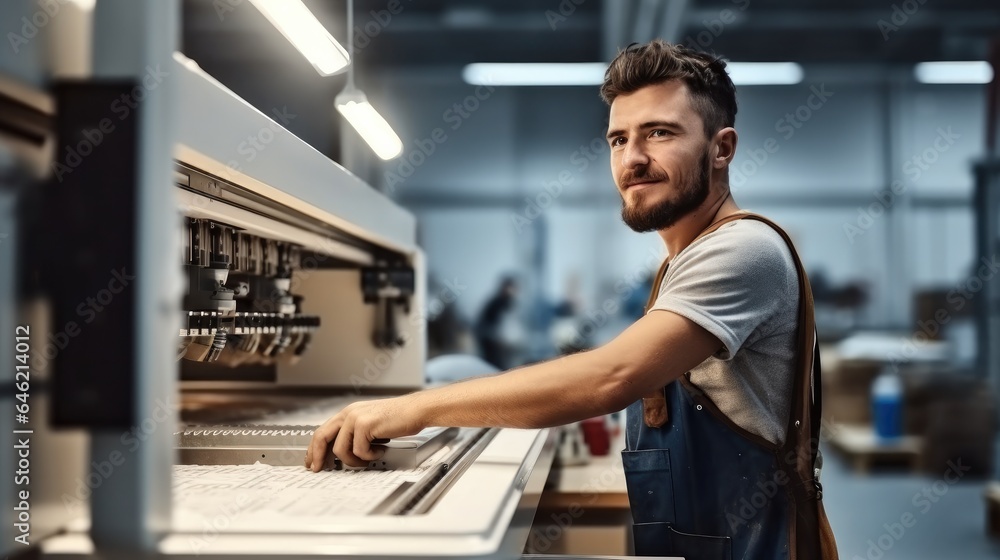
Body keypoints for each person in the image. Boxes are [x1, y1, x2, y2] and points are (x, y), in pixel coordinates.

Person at [306, 40, 837, 560]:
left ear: (721, 148)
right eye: (618, 139)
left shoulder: (743, 249)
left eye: (659, 133)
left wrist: (414, 408)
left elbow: (611, 376)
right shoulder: (680, 259)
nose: (634, 158)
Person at [473, 275, 521, 369]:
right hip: (487, 336)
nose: (513, 291)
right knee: (494, 363)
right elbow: (494, 324)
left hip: (489, 336)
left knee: (497, 362)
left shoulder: (504, 301)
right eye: (511, 288)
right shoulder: (498, 302)